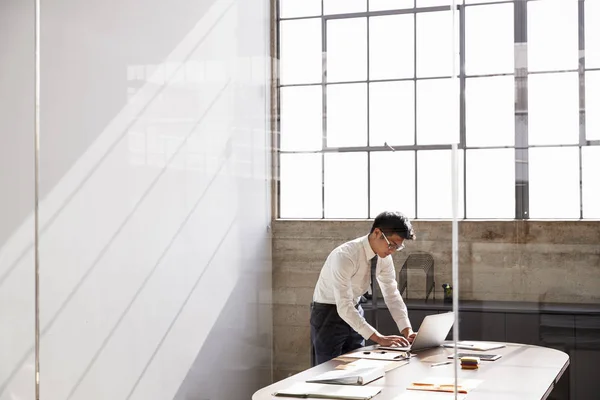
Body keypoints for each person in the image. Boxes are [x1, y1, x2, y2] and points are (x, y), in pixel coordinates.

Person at [310, 211, 417, 366]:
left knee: (356, 366)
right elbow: (343, 305)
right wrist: (379, 338)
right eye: (392, 244)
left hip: (355, 309)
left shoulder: (384, 257)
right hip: (328, 313)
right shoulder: (345, 256)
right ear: (377, 232)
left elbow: (392, 294)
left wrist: (407, 331)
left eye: (398, 247)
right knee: (327, 371)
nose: (392, 251)